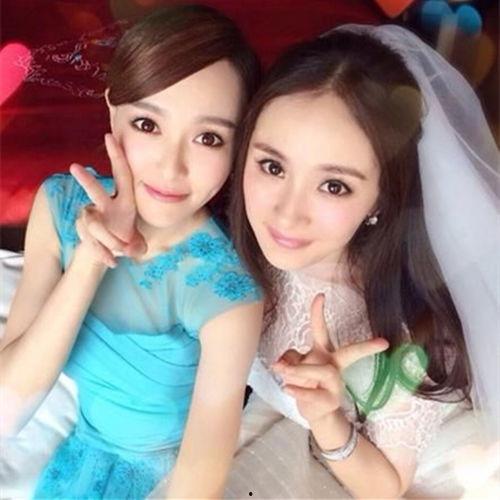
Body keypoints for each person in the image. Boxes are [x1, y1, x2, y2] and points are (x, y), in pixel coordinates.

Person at [0, 5, 263, 499]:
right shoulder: (59, 205)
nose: (171, 167)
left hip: (159, 476)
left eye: (208, 138)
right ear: (112, 110)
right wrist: (89, 261)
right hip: (77, 449)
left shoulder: (228, 294)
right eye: (146, 124)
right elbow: (5, 415)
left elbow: (198, 477)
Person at [226, 24, 499, 498]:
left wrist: (328, 417)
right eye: (273, 166)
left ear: (380, 199)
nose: (287, 213)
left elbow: (386, 486)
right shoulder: (242, 245)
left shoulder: (408, 333)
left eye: (334, 186)